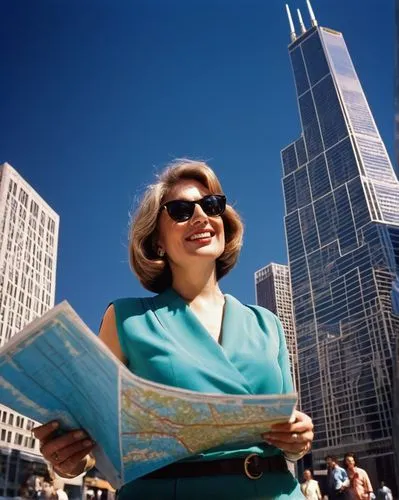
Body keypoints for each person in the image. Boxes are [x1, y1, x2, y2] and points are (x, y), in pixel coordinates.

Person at [32, 160, 314, 499]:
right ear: (157, 241)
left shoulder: (267, 324)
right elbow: (93, 446)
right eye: (181, 210)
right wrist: (69, 462)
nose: (201, 217)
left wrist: (298, 440)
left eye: (212, 205)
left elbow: (289, 432)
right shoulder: (125, 320)